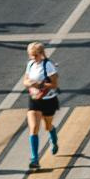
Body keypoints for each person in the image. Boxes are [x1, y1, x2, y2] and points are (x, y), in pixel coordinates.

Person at [24, 42, 62, 171]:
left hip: (48, 100)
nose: (32, 58)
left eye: (35, 55)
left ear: (41, 54)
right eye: (31, 55)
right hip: (34, 100)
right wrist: (30, 84)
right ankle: (35, 159)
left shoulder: (48, 65)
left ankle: (53, 137)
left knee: (47, 126)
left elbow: (54, 84)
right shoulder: (30, 64)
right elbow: (25, 80)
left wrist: (40, 85)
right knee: (34, 128)